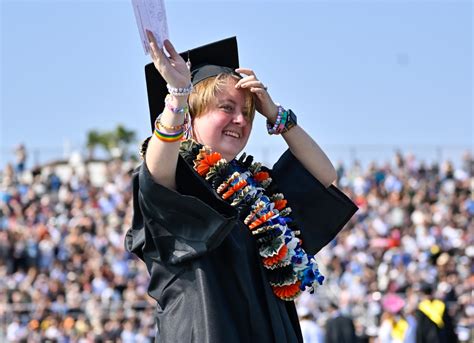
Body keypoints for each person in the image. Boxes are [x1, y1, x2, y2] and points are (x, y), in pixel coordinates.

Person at [125, 32, 358, 342]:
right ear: (191, 114)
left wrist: (275, 114)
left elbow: (325, 175)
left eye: (246, 112)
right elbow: (155, 171)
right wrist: (178, 94)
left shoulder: (257, 192)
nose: (240, 120)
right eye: (226, 107)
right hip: (206, 329)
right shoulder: (180, 178)